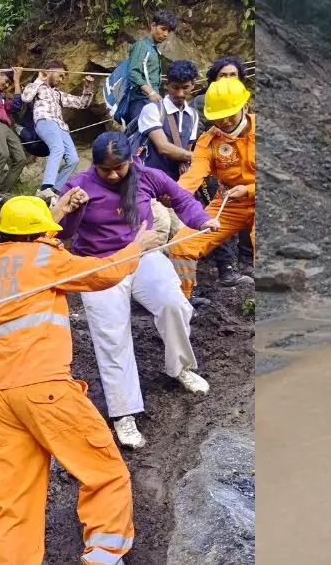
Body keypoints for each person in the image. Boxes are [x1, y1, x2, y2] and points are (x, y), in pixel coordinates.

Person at [0, 194, 164, 565]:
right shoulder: (44, 258)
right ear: (42, 233)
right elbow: (101, 274)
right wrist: (137, 246)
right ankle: (105, 556)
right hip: (45, 389)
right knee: (105, 473)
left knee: (14, 503)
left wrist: (56, 214)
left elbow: (31, 255)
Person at [59, 132, 219, 449]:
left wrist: (201, 220)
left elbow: (183, 199)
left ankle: (181, 367)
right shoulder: (79, 185)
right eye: (107, 170)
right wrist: (72, 209)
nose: (115, 174)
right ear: (95, 166)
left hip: (142, 256)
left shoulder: (147, 176)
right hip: (99, 265)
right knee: (112, 335)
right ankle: (124, 412)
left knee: (174, 303)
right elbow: (62, 233)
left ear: (131, 159)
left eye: (120, 167)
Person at [168, 77, 255, 299]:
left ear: (245, 107)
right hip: (229, 203)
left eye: (229, 115)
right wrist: (175, 194)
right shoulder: (209, 141)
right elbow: (195, 173)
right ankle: (182, 301)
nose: (224, 121)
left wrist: (249, 189)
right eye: (218, 117)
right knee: (181, 246)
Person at [19, 62, 94, 201]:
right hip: (45, 121)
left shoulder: (58, 94)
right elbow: (26, 97)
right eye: (60, 76)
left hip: (61, 127)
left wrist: (88, 89)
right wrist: (40, 79)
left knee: (73, 159)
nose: (61, 80)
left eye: (63, 77)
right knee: (57, 148)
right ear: (49, 72)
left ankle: (55, 190)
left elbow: (81, 103)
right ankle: (45, 188)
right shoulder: (37, 86)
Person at [123, 10, 177, 127]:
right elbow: (133, 73)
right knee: (139, 139)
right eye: (163, 29)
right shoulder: (141, 45)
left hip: (150, 101)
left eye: (168, 31)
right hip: (140, 101)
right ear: (153, 26)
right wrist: (151, 92)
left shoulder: (154, 49)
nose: (165, 34)